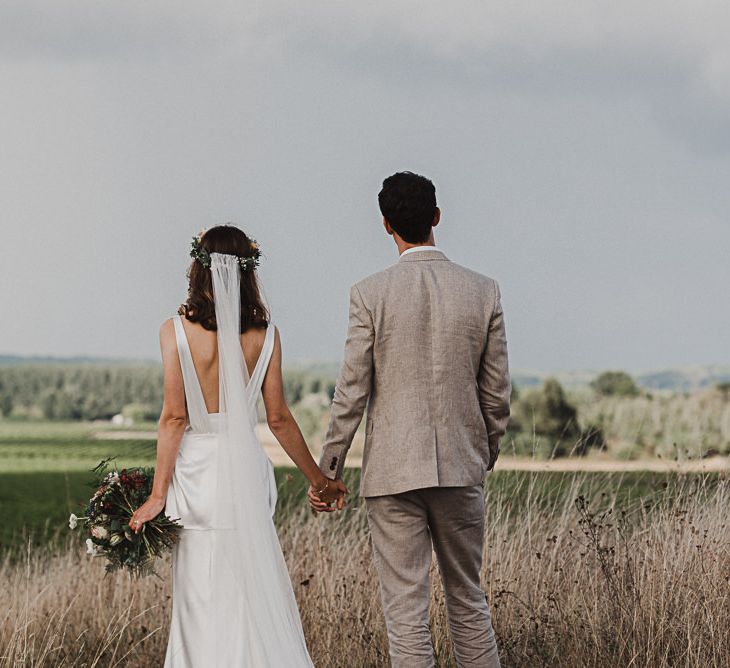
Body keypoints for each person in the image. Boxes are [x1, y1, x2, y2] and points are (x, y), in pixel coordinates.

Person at [310, 172, 511, 668]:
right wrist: (485, 450)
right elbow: (497, 391)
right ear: (437, 217)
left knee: (405, 613)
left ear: (385, 225)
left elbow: (351, 391)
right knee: (468, 600)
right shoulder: (483, 291)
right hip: (463, 468)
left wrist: (328, 470)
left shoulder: (368, 294)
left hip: (393, 474)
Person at [129, 225, 346, 667]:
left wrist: (157, 494)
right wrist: (319, 481)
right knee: (248, 596)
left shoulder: (174, 332)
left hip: (197, 477)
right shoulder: (265, 335)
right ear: (247, 272)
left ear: (198, 268)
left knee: (199, 598)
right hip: (244, 472)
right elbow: (280, 418)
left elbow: (174, 417)